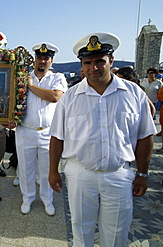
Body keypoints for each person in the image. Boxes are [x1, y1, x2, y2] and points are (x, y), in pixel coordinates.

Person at [49, 32, 156, 247]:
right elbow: (57, 137)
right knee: (80, 229)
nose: (93, 67)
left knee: (117, 232)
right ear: (82, 65)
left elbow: (145, 135)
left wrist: (143, 173)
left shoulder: (134, 94)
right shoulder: (70, 97)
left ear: (111, 61)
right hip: (80, 174)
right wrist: (52, 171)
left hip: (118, 174)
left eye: (100, 61)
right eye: (87, 62)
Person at [15, 42, 67, 215]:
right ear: (34, 60)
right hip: (25, 131)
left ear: (51, 61)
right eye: (39, 57)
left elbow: (54, 96)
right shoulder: (22, 76)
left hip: (48, 132)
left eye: (46, 58)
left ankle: (47, 199)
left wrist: (30, 86)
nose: (42, 61)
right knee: (25, 169)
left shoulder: (57, 78)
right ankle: (27, 198)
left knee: (47, 169)